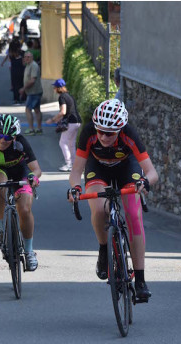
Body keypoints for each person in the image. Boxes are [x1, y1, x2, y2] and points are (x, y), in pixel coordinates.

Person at [68, 99, 159, 301]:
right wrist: (74, 188)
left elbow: (152, 172)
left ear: (120, 129)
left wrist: (145, 182)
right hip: (97, 167)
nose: (103, 136)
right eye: (100, 131)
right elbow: (76, 171)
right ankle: (103, 249)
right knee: (99, 210)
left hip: (127, 168)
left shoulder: (129, 134)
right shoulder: (89, 132)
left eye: (109, 133)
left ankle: (141, 280)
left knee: (134, 215)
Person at [0, 114, 41, 271]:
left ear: (14, 137)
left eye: (7, 137)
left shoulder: (21, 142)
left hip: (21, 171)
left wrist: (33, 177)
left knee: (24, 209)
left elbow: (37, 169)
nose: (2, 141)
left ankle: (29, 251)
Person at [45, 79, 81, 172]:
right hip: (77, 121)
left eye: (54, 87)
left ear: (58, 88)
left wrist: (53, 119)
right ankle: (73, 164)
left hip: (70, 122)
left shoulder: (62, 97)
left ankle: (68, 164)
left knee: (63, 142)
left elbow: (63, 112)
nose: (54, 89)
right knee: (71, 144)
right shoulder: (69, 95)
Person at [19, 51, 42, 134]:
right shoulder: (28, 65)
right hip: (32, 91)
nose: (27, 58)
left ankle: (31, 129)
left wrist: (23, 88)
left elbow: (32, 80)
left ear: (32, 58)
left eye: (29, 57)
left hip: (34, 92)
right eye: (25, 57)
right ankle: (39, 129)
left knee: (28, 109)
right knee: (36, 109)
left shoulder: (34, 66)